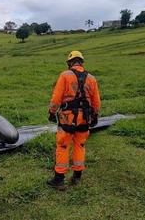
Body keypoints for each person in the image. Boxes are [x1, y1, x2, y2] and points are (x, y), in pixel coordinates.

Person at [47, 51, 101, 189]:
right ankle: (77, 177)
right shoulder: (92, 78)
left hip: (67, 117)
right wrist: (95, 115)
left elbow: (56, 98)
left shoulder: (65, 75)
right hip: (85, 118)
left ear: (70, 63)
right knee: (80, 145)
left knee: (63, 146)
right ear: (81, 62)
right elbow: (96, 102)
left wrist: (52, 112)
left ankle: (59, 179)